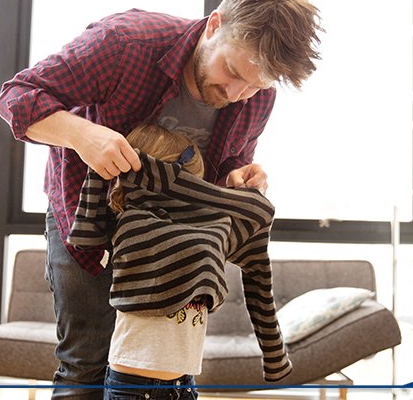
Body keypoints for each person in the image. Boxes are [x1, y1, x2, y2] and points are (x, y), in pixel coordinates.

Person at [0, 0, 322, 400]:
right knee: (86, 363)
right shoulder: (125, 42)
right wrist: (82, 134)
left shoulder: (256, 96)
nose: (237, 94)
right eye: (232, 72)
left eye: (257, 86)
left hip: (169, 239)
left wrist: (238, 178)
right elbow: (18, 95)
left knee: (161, 375)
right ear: (214, 25)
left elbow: (227, 164)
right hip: (85, 215)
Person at [66, 123, 291, 400]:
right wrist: (102, 166)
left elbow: (259, 240)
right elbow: (84, 236)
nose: (194, 192)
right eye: (191, 180)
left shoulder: (211, 232)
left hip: (184, 384)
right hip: (133, 386)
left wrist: (274, 355)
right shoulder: (131, 223)